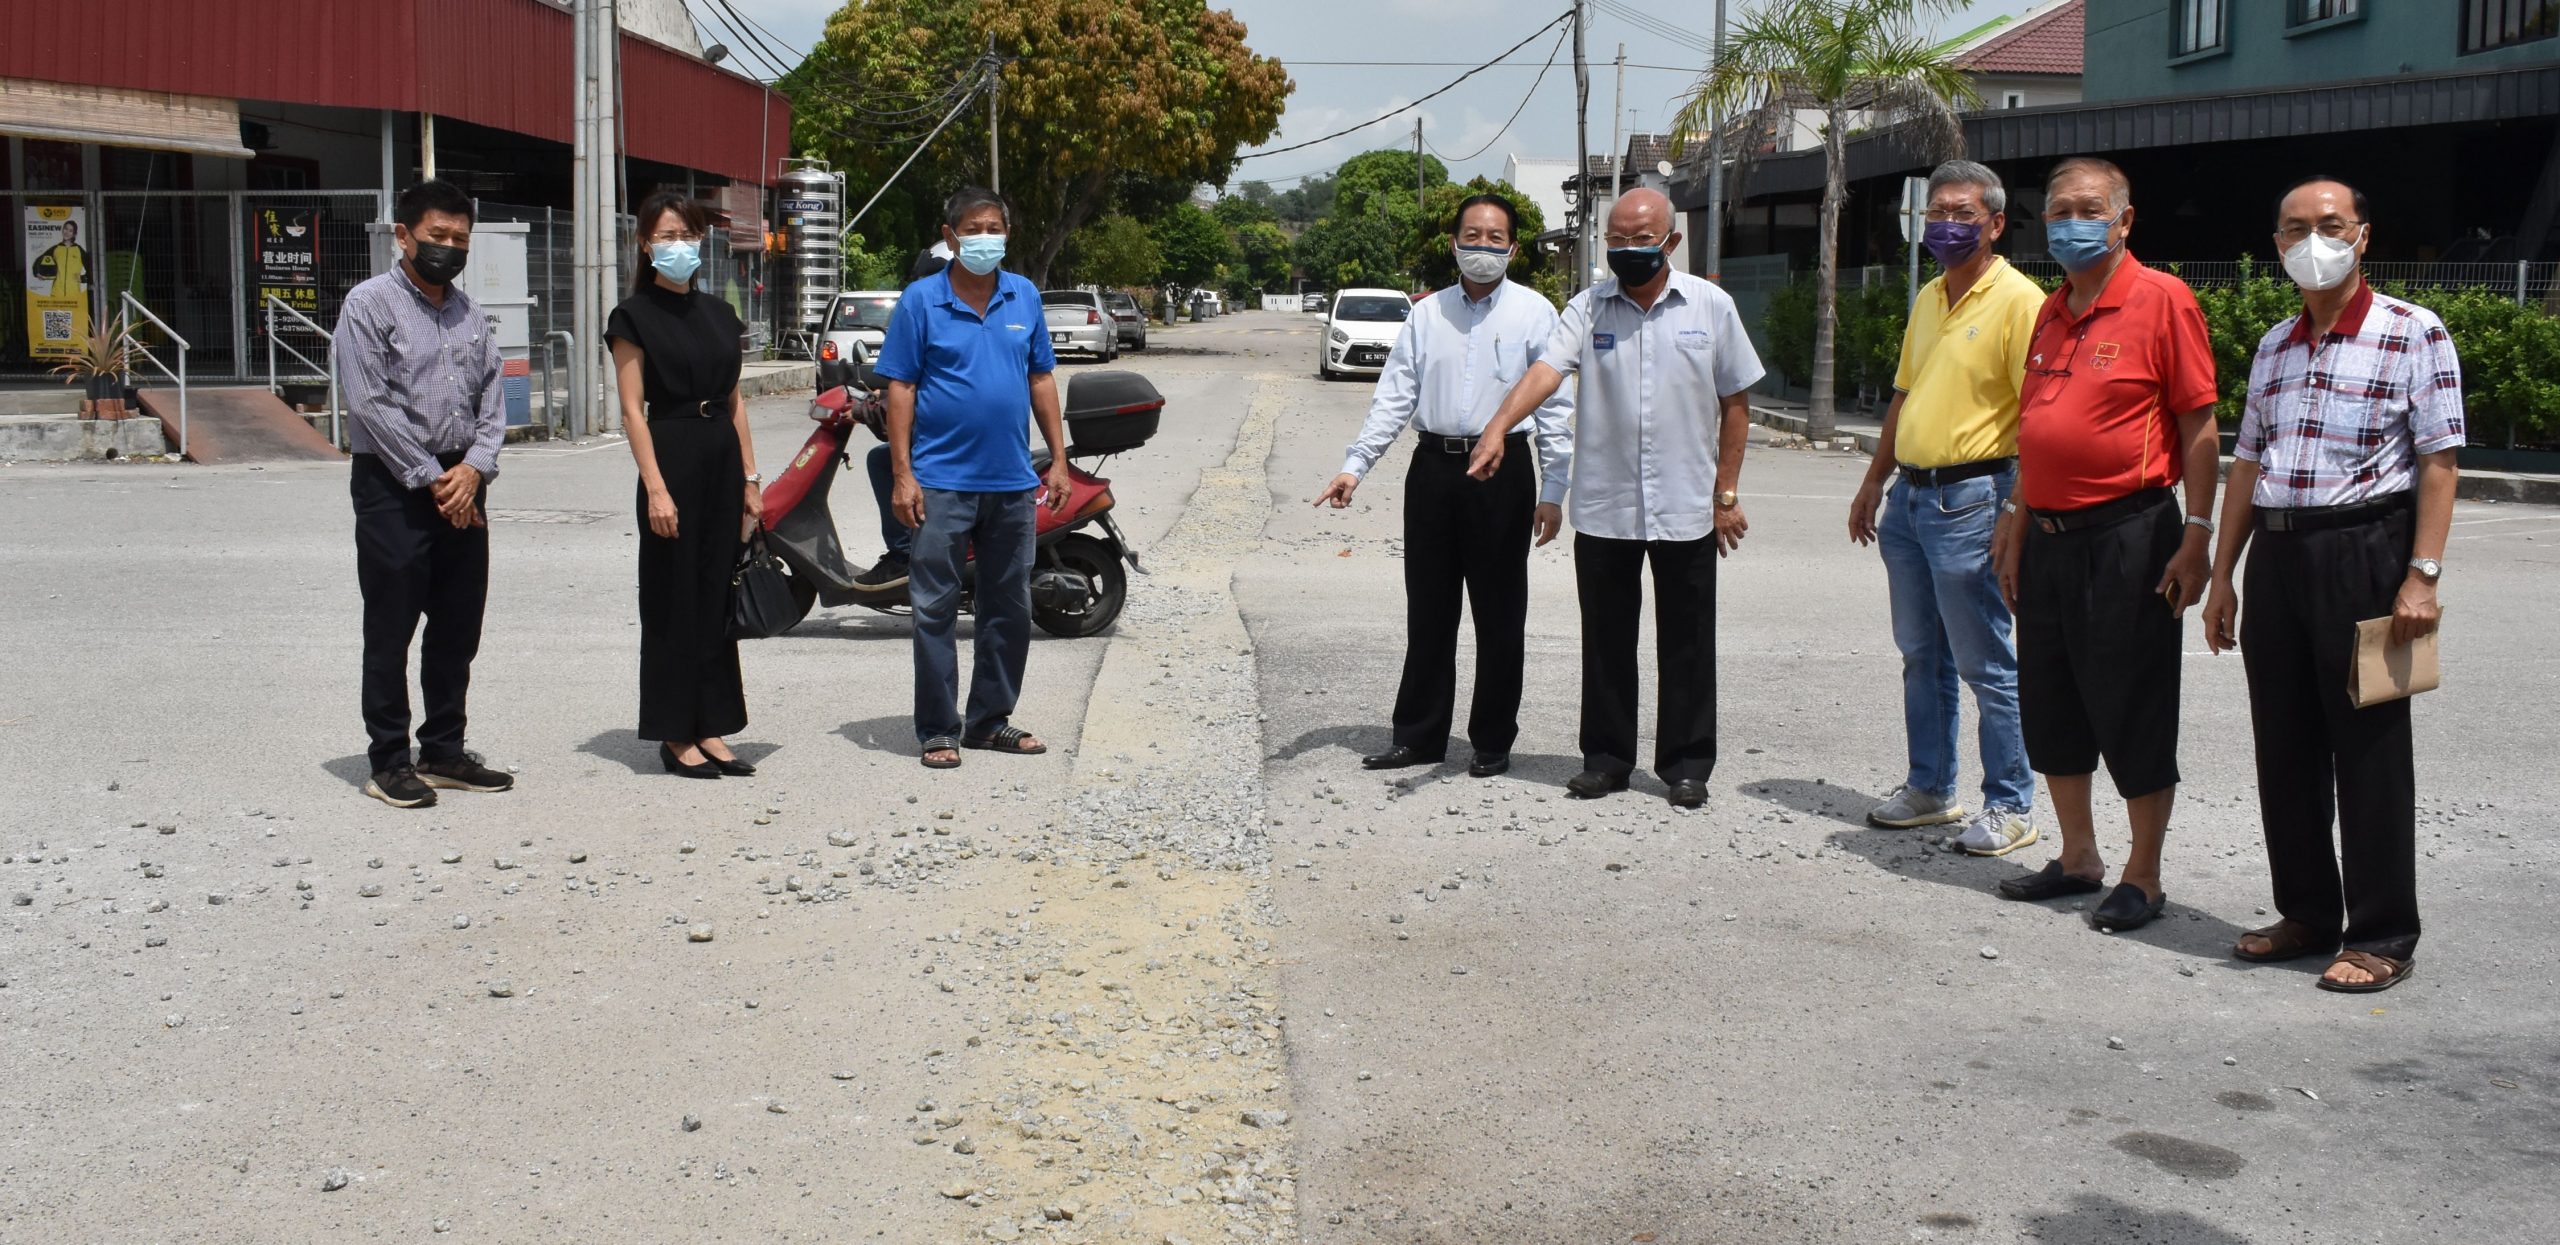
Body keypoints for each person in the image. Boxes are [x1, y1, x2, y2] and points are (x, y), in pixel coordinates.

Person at [2200, 177, 2460, 993]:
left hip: (2367, 555)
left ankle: (2382, 931)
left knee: (2371, 748)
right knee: (2284, 744)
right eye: (2295, 228)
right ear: (2277, 245)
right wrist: (2224, 577)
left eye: (2330, 224)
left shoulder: (2413, 332)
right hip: (2278, 556)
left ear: (2362, 235)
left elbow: (2440, 462)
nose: (2314, 239)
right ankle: (2308, 911)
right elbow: (2248, 461)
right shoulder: (2275, 343)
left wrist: (2420, 577)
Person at [1469, 188, 1763, 809]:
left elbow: (1736, 403)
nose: (1628, 250)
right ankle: (1606, 759)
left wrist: (1726, 492)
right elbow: (1545, 373)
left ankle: (1686, 764)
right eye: (1617, 240)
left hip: (1686, 506)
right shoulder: (1587, 308)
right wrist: (1498, 427)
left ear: (1672, 242)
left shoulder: (1711, 307)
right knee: (1605, 637)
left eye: (1642, 238)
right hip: (1605, 507)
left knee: (1687, 640)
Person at [1989, 157, 2219, 932]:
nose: (2069, 222)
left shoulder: (2162, 300)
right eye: (2057, 210)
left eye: (2088, 208)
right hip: (2048, 536)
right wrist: (2018, 523)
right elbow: (2036, 430)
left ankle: (2144, 873)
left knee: (2133, 700)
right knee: (2050, 696)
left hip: (2131, 533)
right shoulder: (2051, 310)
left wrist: (2197, 534)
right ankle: (2077, 854)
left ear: (2124, 220)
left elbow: (2198, 426)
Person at [1314, 193, 1573, 780]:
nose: (1483, 247)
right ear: (1454, 242)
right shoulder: (1426, 314)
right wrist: (1356, 465)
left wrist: (1554, 488)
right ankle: (1419, 736)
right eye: (1472, 236)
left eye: (1495, 237)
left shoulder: (1535, 313)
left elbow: (1555, 406)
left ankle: (1491, 740)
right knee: (1428, 610)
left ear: (1513, 247)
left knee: (1500, 613)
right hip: (1432, 470)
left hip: (1503, 472)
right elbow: (1395, 396)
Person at [1847, 160, 2043, 853]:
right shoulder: (1931, 296)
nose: (1946, 225)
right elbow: (1905, 390)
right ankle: (1931, 786)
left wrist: (2016, 510)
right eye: (1936, 213)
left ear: (1994, 223)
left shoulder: (2020, 301)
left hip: (1973, 496)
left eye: (1963, 214)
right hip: (1911, 497)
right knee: (1920, 654)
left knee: (1983, 658)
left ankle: (2012, 801)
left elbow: (2037, 414)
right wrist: (1875, 480)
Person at [873, 187, 1073, 769]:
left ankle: (990, 720)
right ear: (951, 234)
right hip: (939, 483)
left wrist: (1056, 459)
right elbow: (900, 388)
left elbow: (1041, 379)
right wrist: (903, 474)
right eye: (973, 227)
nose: (985, 237)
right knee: (934, 608)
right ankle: (938, 728)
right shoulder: (921, 301)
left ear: (1007, 234)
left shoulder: (1024, 296)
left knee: (1008, 607)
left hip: (1011, 483)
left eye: (995, 227)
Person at [333, 179, 512, 808]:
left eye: (460, 238)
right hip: (394, 483)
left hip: (464, 484)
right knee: (392, 627)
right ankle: (389, 760)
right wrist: (431, 475)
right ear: (403, 236)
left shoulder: (468, 313)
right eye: (437, 236)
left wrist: (475, 469)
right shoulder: (369, 305)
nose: (449, 247)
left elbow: (493, 401)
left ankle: (444, 751)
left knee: (457, 627)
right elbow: (370, 402)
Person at [608, 190, 761, 779]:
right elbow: (631, 411)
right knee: (674, 597)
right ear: (646, 245)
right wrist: (656, 488)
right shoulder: (632, 318)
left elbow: (735, 400)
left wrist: (751, 478)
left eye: (688, 235)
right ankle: (676, 732)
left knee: (718, 596)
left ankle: (712, 723)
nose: (679, 246)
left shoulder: (721, 314)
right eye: (667, 236)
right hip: (671, 455)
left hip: (721, 458)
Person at [850, 244, 959, 591]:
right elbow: (904, 378)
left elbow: (913, 388)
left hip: (948, 443)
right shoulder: (934, 307)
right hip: (956, 438)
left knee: (881, 462)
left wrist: (867, 407)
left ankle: (902, 553)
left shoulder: (945, 313)